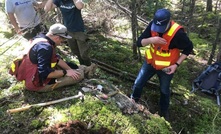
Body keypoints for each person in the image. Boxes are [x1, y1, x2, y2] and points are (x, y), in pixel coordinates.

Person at [130, 9, 193, 120]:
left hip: (166, 69)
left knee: (164, 90)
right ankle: (132, 102)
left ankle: (163, 113)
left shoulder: (178, 33)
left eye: (162, 27)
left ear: (169, 21)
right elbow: (139, 42)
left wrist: (176, 65)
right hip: (150, 63)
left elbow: (189, 48)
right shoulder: (153, 25)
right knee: (138, 83)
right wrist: (151, 39)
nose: (159, 30)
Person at [10, 23, 95, 92]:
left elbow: (56, 59)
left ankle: (84, 69)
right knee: (79, 76)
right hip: (37, 83)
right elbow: (45, 73)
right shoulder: (45, 48)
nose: (62, 42)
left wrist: (70, 70)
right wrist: (66, 72)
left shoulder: (42, 38)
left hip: (35, 73)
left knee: (75, 69)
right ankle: (85, 71)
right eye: (62, 40)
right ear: (57, 37)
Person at [44, 0, 92, 66]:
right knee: (75, 51)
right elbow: (46, 9)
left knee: (84, 54)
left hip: (79, 30)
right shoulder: (59, 1)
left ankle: (88, 68)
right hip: (68, 31)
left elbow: (80, 6)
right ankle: (82, 67)